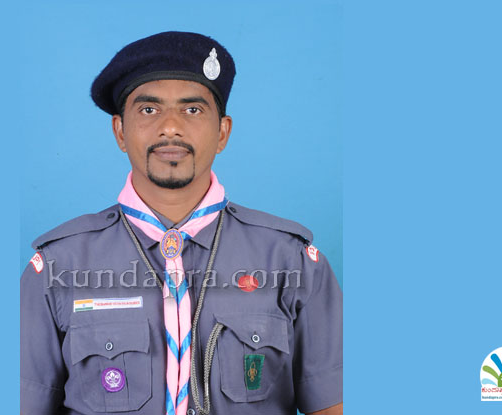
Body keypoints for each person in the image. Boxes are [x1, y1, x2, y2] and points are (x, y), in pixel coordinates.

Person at [21, 31, 342, 415]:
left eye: (192, 110)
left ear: (222, 132)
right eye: (148, 110)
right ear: (120, 131)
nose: (170, 127)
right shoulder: (57, 266)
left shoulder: (292, 261)